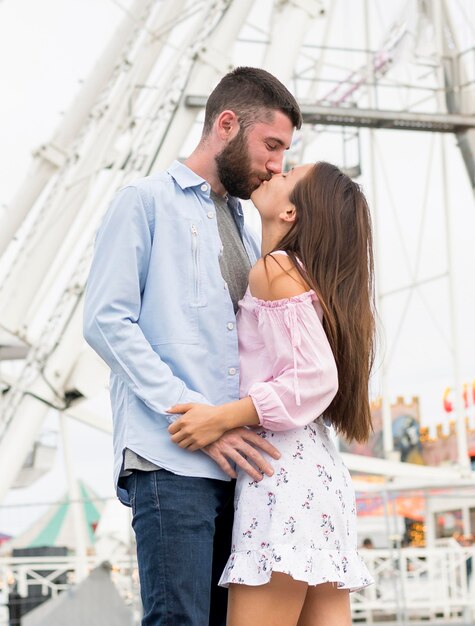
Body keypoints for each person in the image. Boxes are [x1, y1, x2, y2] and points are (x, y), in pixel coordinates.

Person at [83, 66, 302, 626]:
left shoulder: (247, 227)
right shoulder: (143, 201)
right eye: (271, 145)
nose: (277, 165)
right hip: (170, 458)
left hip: (239, 466)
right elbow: (106, 321)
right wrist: (195, 413)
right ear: (226, 124)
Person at [167, 161, 376, 625]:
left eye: (287, 177)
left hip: (280, 475)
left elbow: (314, 378)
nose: (273, 172)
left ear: (290, 214)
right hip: (317, 478)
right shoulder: (307, 278)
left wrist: (221, 417)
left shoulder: (276, 269)